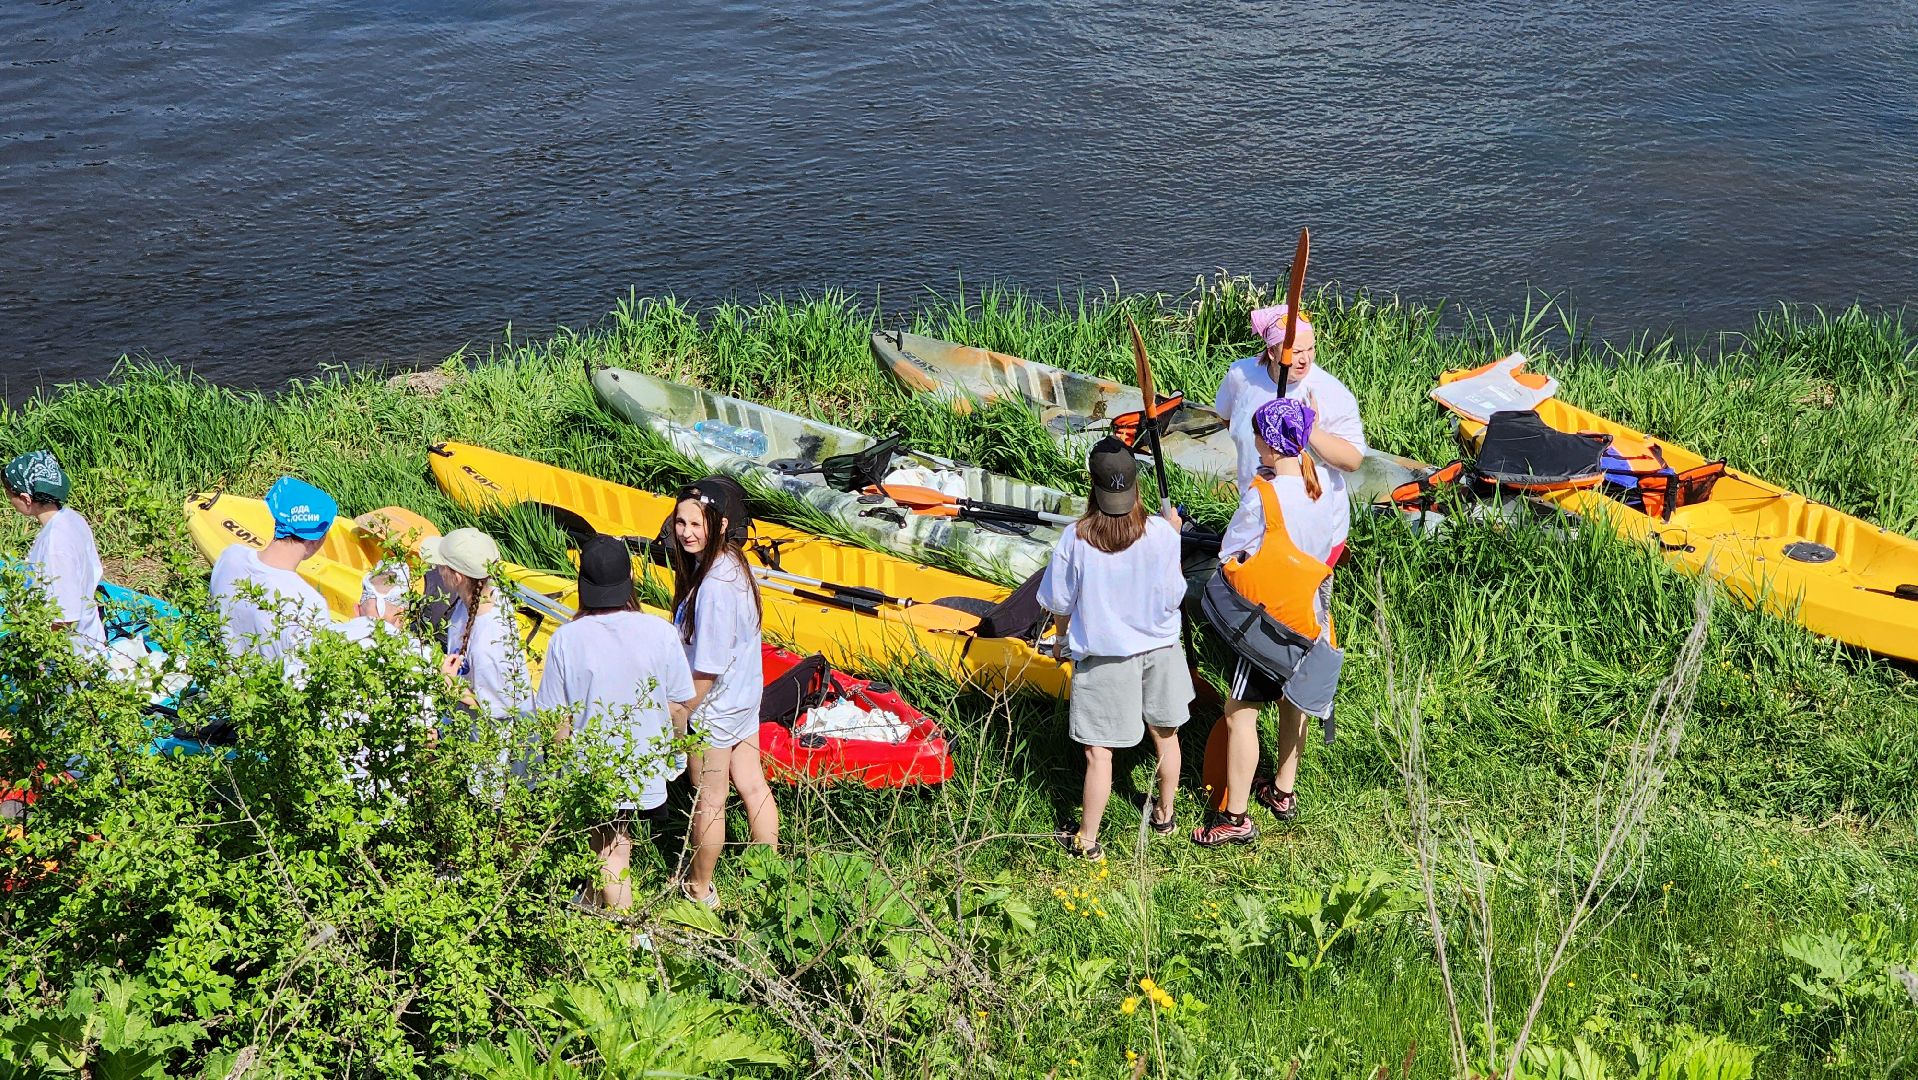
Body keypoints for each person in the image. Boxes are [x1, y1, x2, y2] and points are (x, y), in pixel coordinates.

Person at [1193, 399, 1340, 848]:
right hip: (1312, 616)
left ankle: (1235, 817)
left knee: (1240, 714)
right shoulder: (1322, 488)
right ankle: (1282, 791)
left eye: (1258, 434)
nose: (1254, 440)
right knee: (1294, 702)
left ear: (1271, 445)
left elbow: (1230, 552)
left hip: (1268, 625)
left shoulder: (1264, 495)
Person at [1037, 438, 1193, 860]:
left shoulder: (1076, 538)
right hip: (1161, 650)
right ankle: (1165, 816)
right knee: (1167, 736)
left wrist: (1062, 641)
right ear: (1136, 486)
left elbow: (1060, 603)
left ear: (1093, 485)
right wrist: (1174, 537)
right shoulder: (1162, 533)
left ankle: (1087, 841)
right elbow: (1174, 595)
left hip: (1106, 658)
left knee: (1098, 753)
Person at [535, 534, 695, 912]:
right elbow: (678, 707)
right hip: (644, 762)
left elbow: (557, 719)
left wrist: (557, 770)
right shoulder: (661, 631)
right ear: (631, 579)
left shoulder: (566, 638)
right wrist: (674, 754)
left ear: (582, 583)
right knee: (613, 841)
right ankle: (592, 900)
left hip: (593, 765)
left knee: (611, 849)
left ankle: (631, 934)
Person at [669, 482, 775, 907]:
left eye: (697, 524)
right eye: (680, 522)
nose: (686, 532)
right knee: (752, 783)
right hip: (744, 695)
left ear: (721, 524)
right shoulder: (734, 562)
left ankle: (699, 889)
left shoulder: (713, 585)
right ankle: (769, 878)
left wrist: (681, 712)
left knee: (708, 799)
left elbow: (707, 666)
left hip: (714, 708)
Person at [1213, 304, 1367, 564]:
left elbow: (1353, 460)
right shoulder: (1241, 376)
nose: (1306, 359)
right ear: (1272, 351)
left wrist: (1311, 431)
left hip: (1314, 528)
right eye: (1296, 352)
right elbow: (1227, 417)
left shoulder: (1329, 392)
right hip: (1259, 515)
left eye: (1311, 349)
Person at [208, 477, 395, 681]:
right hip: (267, 695)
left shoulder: (230, 555)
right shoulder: (308, 603)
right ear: (317, 539)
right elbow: (306, 675)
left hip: (224, 682)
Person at [419, 527, 531, 724]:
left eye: (441, 566)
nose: (437, 570)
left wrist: (449, 683)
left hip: (486, 737)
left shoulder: (488, 644)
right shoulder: (481, 596)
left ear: (457, 578)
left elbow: (499, 708)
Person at [4, 451, 105, 650]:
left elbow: (65, 617)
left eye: (10, 496)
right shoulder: (71, 517)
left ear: (26, 498)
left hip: (72, 655)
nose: (10, 502)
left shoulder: (55, 545)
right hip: (91, 634)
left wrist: (37, 654)